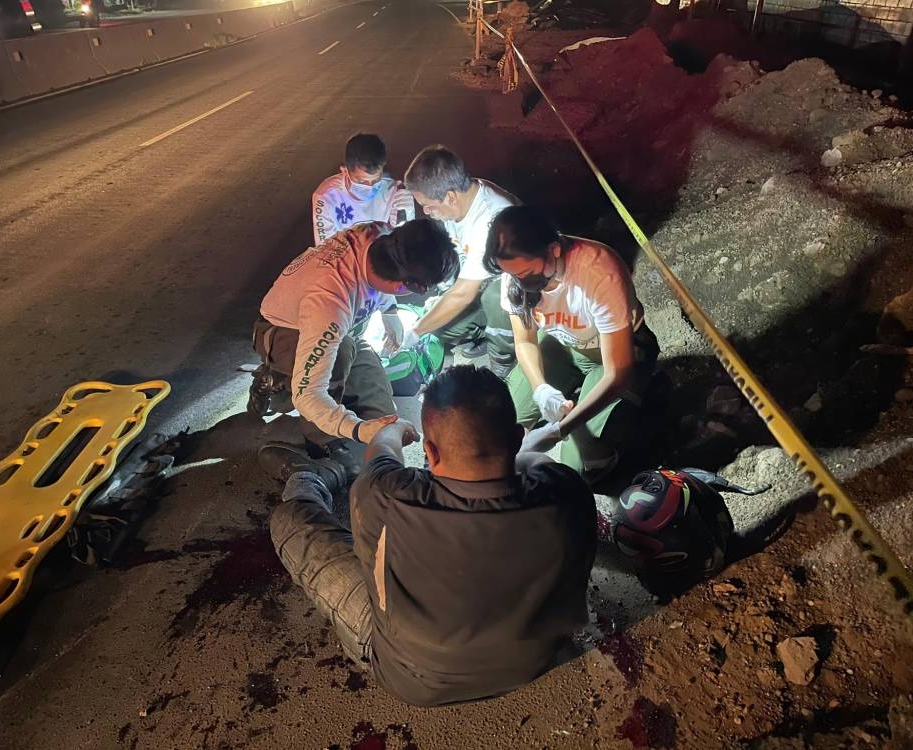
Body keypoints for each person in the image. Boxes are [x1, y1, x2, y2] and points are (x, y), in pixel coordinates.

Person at [262, 365, 596, 706]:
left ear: (430, 453)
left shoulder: (387, 494)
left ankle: (311, 477)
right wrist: (519, 453)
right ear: (517, 438)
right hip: (532, 664)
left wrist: (395, 429)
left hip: (412, 678)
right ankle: (327, 473)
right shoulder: (569, 493)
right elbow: (536, 462)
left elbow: (381, 450)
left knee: (290, 519)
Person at [252, 219, 458, 475]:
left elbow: (390, 277)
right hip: (283, 331)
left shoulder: (380, 233)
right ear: (400, 286)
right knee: (340, 357)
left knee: (384, 418)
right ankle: (320, 440)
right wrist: (356, 429)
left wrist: (390, 311)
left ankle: (311, 387)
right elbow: (309, 396)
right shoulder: (329, 303)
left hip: (338, 329)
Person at [483, 205, 660, 483]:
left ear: (553, 249)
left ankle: (616, 438)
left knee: (577, 469)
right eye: (513, 274)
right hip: (564, 345)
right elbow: (526, 341)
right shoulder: (516, 271)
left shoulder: (598, 272)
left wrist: (560, 430)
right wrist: (540, 388)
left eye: (527, 272)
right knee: (498, 426)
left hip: (614, 354)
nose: (521, 281)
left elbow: (617, 373)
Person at [402, 145, 518, 377]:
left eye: (428, 205)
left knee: (497, 296)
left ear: (450, 197)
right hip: (481, 281)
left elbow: (463, 293)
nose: (426, 211)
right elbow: (456, 253)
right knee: (439, 328)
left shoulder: (492, 220)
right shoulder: (460, 198)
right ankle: (482, 333)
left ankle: (503, 359)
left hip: (519, 294)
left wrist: (415, 332)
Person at [312, 133, 416, 245]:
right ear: (345, 171)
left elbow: (404, 244)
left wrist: (408, 217)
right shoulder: (326, 198)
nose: (370, 187)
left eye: (376, 180)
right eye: (361, 181)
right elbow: (324, 250)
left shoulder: (394, 192)